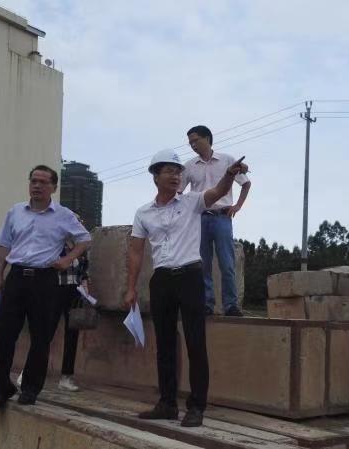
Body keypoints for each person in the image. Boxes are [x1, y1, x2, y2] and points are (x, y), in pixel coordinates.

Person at [124, 148, 248, 427]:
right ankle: (167, 403)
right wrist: (130, 288)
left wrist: (229, 175)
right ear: (155, 177)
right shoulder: (143, 213)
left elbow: (217, 192)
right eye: (169, 171)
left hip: (190, 277)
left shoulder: (192, 201)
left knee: (196, 342)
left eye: (178, 171)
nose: (176, 176)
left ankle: (196, 406)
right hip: (162, 280)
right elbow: (135, 252)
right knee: (165, 344)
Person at [0, 165, 91, 416]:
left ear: (53, 187)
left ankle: (31, 389)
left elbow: (85, 239)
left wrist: (67, 260)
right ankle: (1, 388)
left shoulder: (63, 215)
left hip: (45, 280)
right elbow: (3, 244)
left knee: (41, 337)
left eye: (44, 182)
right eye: (34, 181)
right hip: (16, 277)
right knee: (4, 334)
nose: (37, 186)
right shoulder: (15, 212)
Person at [180, 125, 250, 316]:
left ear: (207, 138)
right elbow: (178, 192)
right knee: (202, 264)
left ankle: (231, 305)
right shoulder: (189, 166)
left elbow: (246, 183)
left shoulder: (227, 160)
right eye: (190, 143)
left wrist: (237, 206)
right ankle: (206, 304)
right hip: (199, 218)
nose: (193, 145)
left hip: (222, 217)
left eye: (195, 140)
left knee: (227, 263)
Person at [17, 220, 90, 392]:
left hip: (75, 291)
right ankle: (27, 372)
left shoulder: (81, 247)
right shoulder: (54, 244)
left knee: (72, 335)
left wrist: (86, 286)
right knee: (45, 332)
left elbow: (85, 269)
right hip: (55, 289)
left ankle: (66, 377)